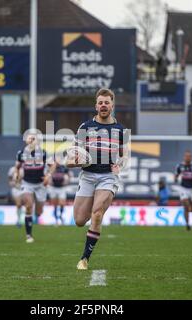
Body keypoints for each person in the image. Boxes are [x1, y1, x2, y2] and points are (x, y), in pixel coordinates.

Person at [67, 88, 128, 270]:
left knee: (97, 214)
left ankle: (84, 259)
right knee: (79, 220)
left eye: (106, 102)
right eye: (100, 102)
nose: (103, 105)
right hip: (87, 176)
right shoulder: (85, 127)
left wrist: (120, 165)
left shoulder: (120, 130)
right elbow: (72, 155)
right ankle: (93, 211)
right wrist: (73, 162)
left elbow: (124, 156)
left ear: (112, 105)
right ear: (96, 105)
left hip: (108, 177)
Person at [14, 132, 54, 243]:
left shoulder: (43, 153)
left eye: (33, 139)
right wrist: (16, 174)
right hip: (27, 183)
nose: (31, 141)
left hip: (40, 184)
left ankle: (37, 213)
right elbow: (17, 166)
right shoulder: (21, 153)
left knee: (39, 212)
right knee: (28, 206)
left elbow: (53, 164)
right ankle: (29, 235)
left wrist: (48, 176)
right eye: (29, 139)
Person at [175, 151, 192, 231]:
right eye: (186, 156)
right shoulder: (179, 166)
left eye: (189, 156)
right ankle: (187, 224)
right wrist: (177, 179)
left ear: (191, 157)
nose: (188, 158)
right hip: (183, 188)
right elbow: (175, 177)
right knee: (186, 206)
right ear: (184, 157)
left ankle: (189, 211)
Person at [48, 156, 71, 225]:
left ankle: (60, 215)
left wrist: (67, 181)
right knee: (55, 204)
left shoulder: (63, 167)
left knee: (61, 203)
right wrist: (49, 181)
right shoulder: (51, 167)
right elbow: (48, 175)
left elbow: (69, 175)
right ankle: (56, 219)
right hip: (53, 188)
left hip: (62, 188)